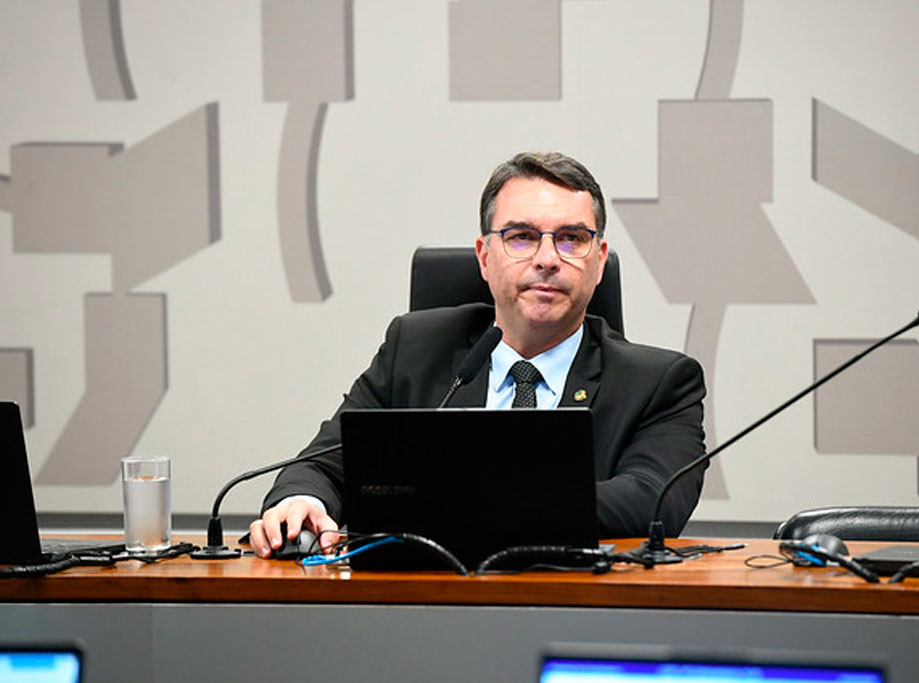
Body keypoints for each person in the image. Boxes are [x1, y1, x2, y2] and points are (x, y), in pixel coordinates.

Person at [249, 151, 707, 558]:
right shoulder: (415, 349)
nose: (548, 258)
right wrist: (302, 502)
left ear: (600, 258)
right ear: (484, 257)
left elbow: (652, 498)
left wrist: (483, 500)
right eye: (522, 236)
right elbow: (324, 464)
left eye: (571, 238)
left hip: (580, 611)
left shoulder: (659, 382)